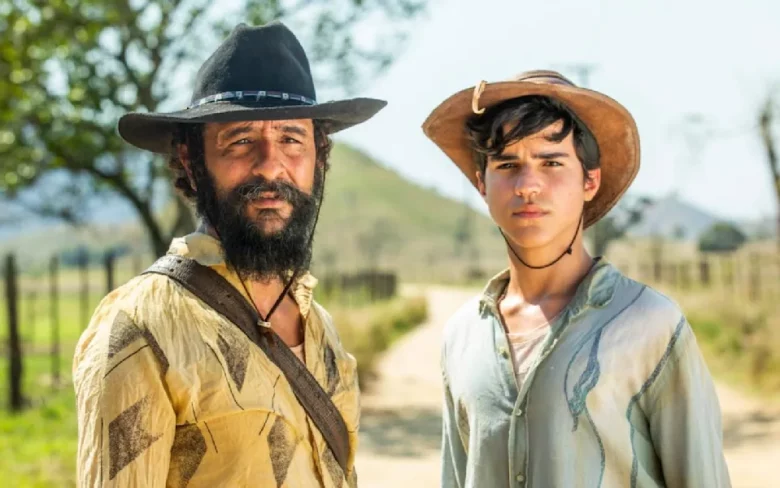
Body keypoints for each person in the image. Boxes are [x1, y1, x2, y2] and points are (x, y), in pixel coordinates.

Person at [73, 21, 385, 487]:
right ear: (191, 164)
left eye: (291, 139)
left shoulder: (320, 327)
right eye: (240, 140)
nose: (269, 164)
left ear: (319, 158)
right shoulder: (141, 328)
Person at [422, 70, 731, 488]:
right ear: (482, 184)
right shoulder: (463, 336)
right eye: (507, 164)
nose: (528, 185)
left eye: (551, 163)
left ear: (590, 181)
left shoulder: (649, 323)